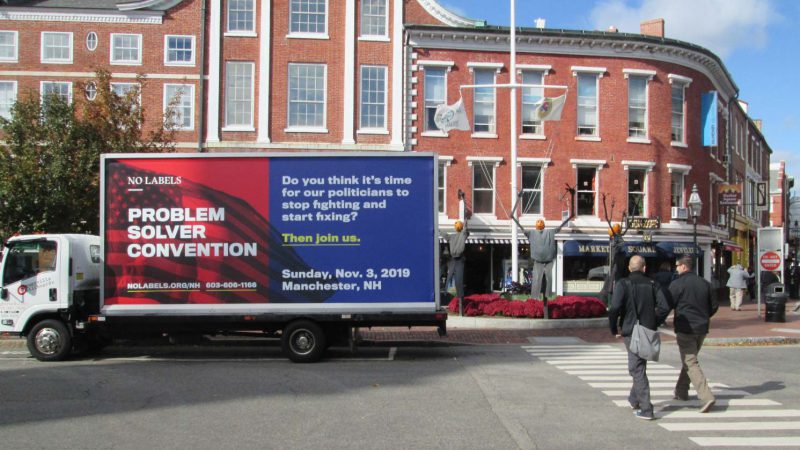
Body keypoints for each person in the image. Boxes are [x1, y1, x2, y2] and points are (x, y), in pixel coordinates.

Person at [608, 255, 671, 420]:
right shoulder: (653, 284)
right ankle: (634, 399)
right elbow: (664, 306)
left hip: (631, 329)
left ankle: (646, 408)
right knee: (639, 365)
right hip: (647, 328)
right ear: (644, 268)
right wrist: (655, 321)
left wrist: (614, 328)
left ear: (629, 268)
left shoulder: (623, 283)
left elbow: (614, 307)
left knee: (636, 368)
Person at [669, 255, 719, 413]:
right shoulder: (705, 284)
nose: (676, 268)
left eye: (677, 266)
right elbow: (714, 306)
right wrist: (704, 316)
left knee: (690, 362)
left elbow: (668, 303)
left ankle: (706, 396)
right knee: (689, 359)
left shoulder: (677, 284)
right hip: (702, 327)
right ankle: (681, 391)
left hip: (686, 327)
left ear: (683, 267)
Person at [442, 219, 469, 300]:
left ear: (455, 228)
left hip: (454, 259)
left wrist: (439, 230)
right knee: (459, 278)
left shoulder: (452, 236)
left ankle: (445, 291)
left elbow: (445, 235)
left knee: (449, 275)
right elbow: (465, 230)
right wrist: (466, 224)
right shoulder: (462, 235)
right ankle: (460, 296)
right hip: (459, 259)